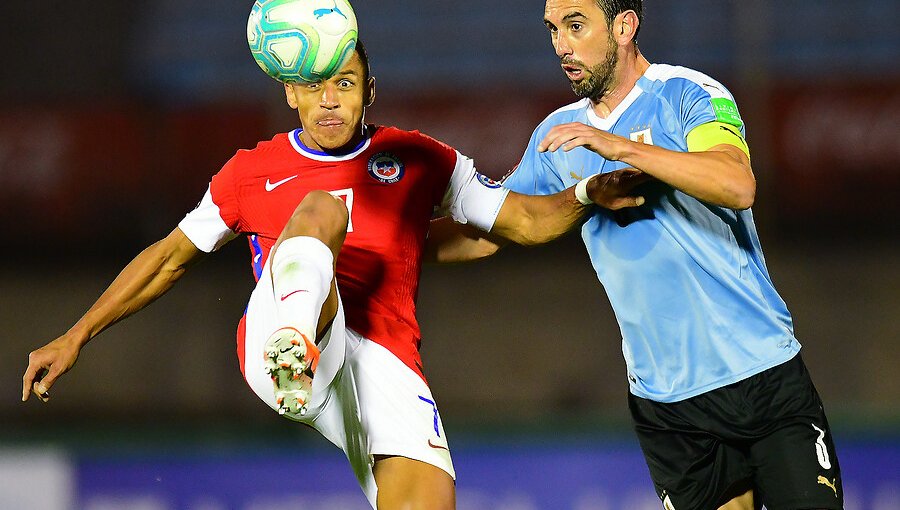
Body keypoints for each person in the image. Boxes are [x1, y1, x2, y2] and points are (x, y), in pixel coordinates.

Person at [21, 42, 646, 509]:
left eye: (344, 84)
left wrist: (589, 191)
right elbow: (167, 258)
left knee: (432, 498)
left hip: (382, 361)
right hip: (280, 340)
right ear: (290, 93)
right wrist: (77, 334)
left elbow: (522, 223)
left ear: (369, 90)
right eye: (315, 86)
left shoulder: (419, 159)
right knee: (321, 208)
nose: (329, 100)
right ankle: (296, 339)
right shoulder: (250, 172)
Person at [439, 1, 844, 509]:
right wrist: (378, 246)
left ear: (625, 26)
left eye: (575, 25)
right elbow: (492, 231)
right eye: (552, 29)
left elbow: (737, 184)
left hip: (762, 375)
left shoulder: (689, 94)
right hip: (669, 408)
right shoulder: (557, 135)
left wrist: (620, 147)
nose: (560, 45)